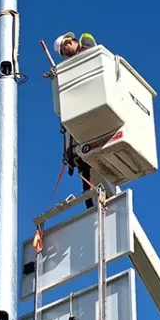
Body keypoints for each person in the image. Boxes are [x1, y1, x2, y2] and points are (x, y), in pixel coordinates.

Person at [53, 30, 99, 209]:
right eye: (63, 49)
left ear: (73, 40)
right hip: (84, 120)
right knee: (84, 165)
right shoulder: (68, 72)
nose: (66, 48)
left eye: (67, 43)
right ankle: (90, 204)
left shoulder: (87, 46)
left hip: (94, 105)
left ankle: (91, 202)